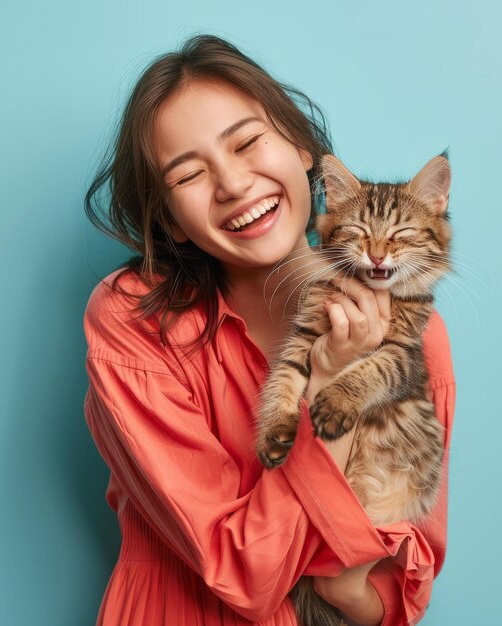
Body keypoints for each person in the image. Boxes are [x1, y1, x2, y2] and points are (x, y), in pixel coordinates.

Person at [82, 34, 456, 626]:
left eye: (248, 142)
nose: (233, 184)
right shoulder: (135, 322)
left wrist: (353, 593)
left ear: (302, 149)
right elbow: (245, 575)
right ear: (170, 223)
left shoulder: (415, 333)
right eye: (188, 176)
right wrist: (327, 382)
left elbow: (401, 585)